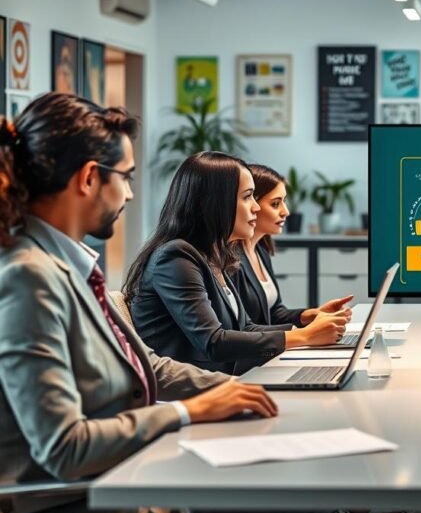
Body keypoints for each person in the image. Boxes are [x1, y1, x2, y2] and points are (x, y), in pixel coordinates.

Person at [0, 93, 331, 513]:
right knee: (304, 504)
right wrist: (189, 412)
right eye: (126, 177)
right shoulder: (29, 278)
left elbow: (150, 365)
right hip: (93, 503)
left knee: (301, 487)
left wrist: (237, 392)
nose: (132, 193)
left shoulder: (72, 266)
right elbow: (64, 446)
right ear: (88, 179)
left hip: (135, 471)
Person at [124, 152, 350, 375]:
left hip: (227, 378)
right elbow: (213, 342)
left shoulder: (214, 254)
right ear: (213, 202)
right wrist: (305, 336)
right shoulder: (175, 257)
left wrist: (307, 329)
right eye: (247, 197)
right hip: (197, 390)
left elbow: (245, 328)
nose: (256, 207)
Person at [235, 164, 353, 328]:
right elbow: (243, 328)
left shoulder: (260, 250)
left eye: (284, 202)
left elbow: (274, 313)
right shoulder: (230, 259)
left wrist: (313, 314)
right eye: (275, 204)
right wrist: (306, 335)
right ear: (252, 203)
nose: (286, 212)